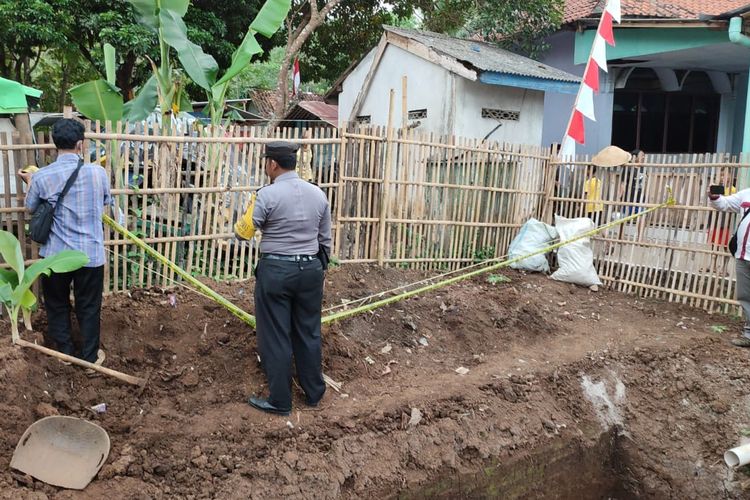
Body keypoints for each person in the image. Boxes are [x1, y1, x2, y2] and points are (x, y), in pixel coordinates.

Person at [239, 141, 332, 416]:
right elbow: (325, 241)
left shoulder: (265, 195)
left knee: (277, 335)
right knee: (309, 331)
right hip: (310, 271)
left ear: (272, 164)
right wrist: (316, 269)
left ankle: (280, 401)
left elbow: (243, 232)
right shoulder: (318, 194)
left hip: (276, 272)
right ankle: (314, 393)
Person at [18, 119, 110, 366]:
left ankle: (66, 355)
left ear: (54, 145)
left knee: (57, 304)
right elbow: (104, 202)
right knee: (89, 307)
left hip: (56, 257)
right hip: (90, 254)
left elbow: (30, 207)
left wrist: (30, 182)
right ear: (80, 145)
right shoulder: (98, 173)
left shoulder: (42, 177)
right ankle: (90, 359)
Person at [709, 187, 750, 347]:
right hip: (742, 255)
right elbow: (724, 204)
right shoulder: (746, 193)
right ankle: (749, 335)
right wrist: (714, 197)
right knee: (745, 297)